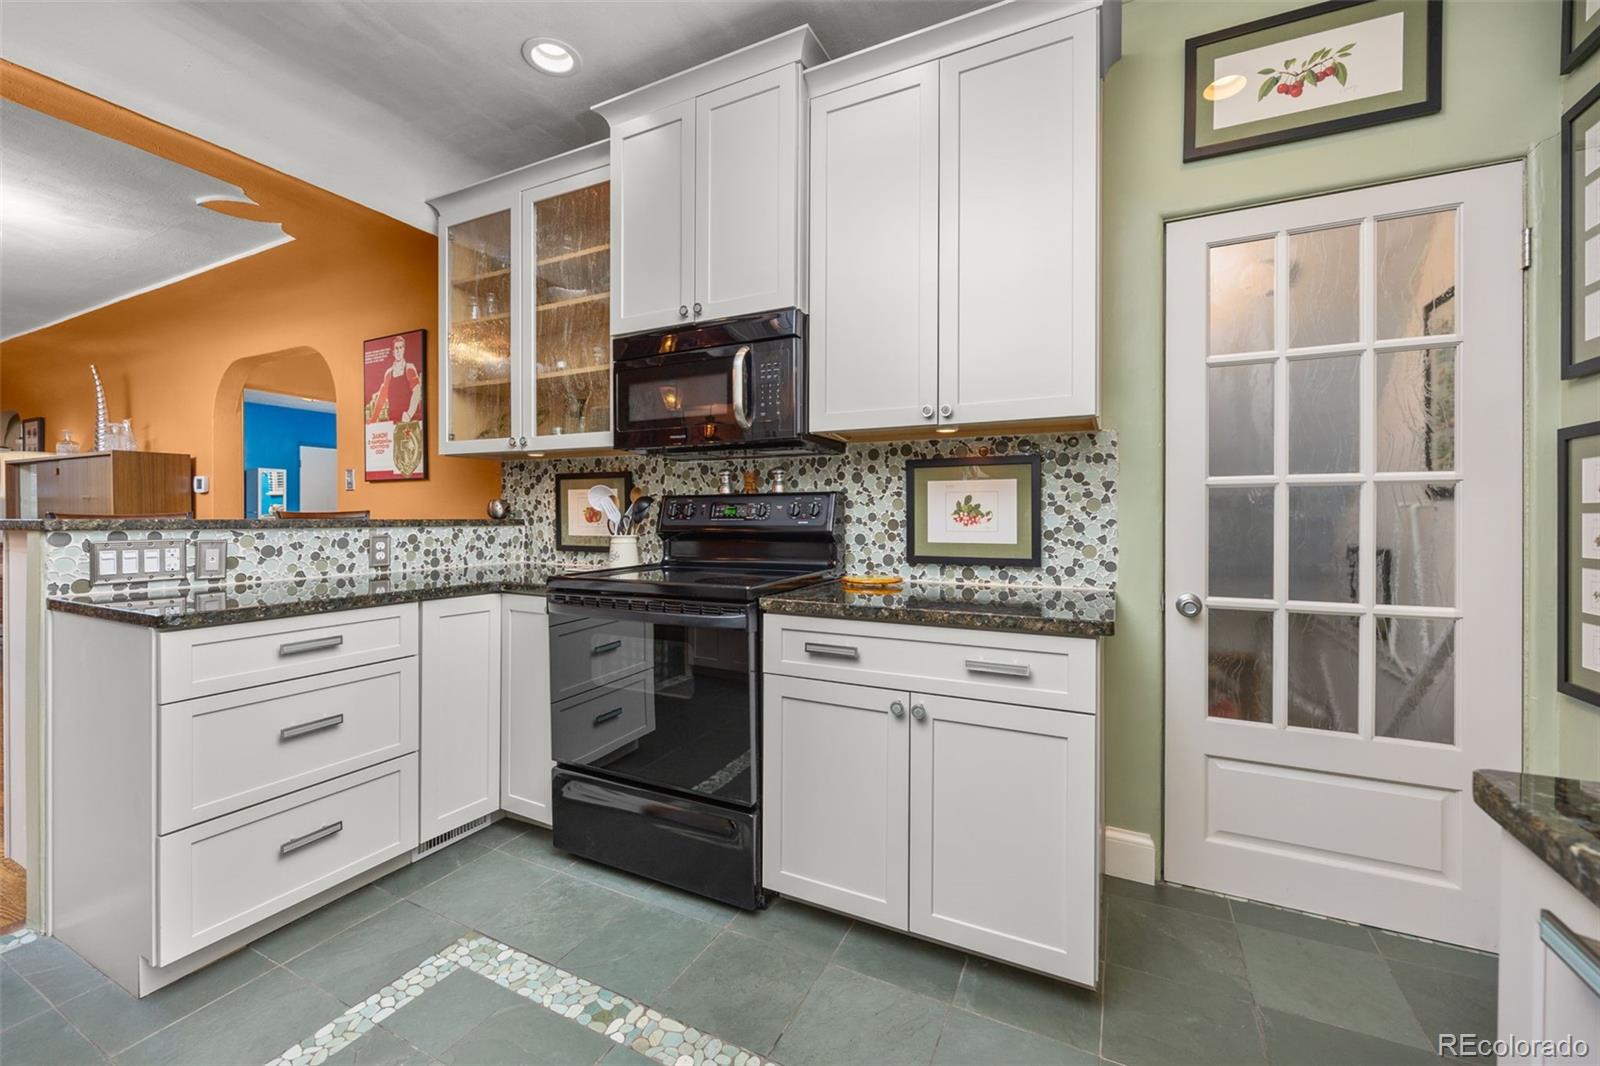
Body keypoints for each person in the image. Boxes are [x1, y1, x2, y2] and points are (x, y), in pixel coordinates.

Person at [367, 335, 421, 423]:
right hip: (394, 421)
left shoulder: (409, 368)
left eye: (400, 347)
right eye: (396, 348)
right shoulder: (388, 374)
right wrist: (373, 420)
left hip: (410, 421)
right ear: (393, 352)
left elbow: (417, 391)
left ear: (404, 349)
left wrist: (409, 414)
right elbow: (381, 398)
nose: (398, 351)